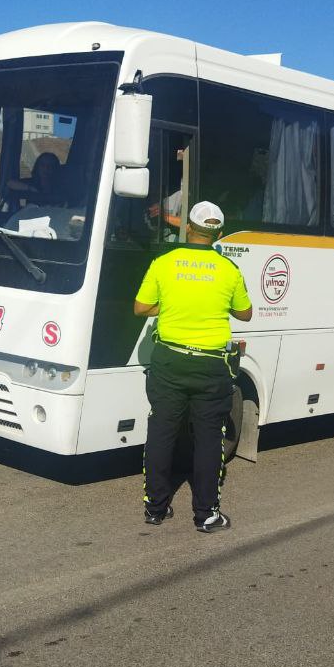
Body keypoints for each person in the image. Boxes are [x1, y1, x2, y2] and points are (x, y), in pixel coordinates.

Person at [133, 201, 253, 533]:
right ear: (219, 234)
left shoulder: (164, 262)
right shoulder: (229, 269)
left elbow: (140, 307)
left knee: (160, 434)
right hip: (211, 366)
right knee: (209, 440)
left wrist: (169, 305)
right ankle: (207, 515)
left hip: (169, 360)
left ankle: (155, 509)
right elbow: (245, 314)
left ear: (188, 228)